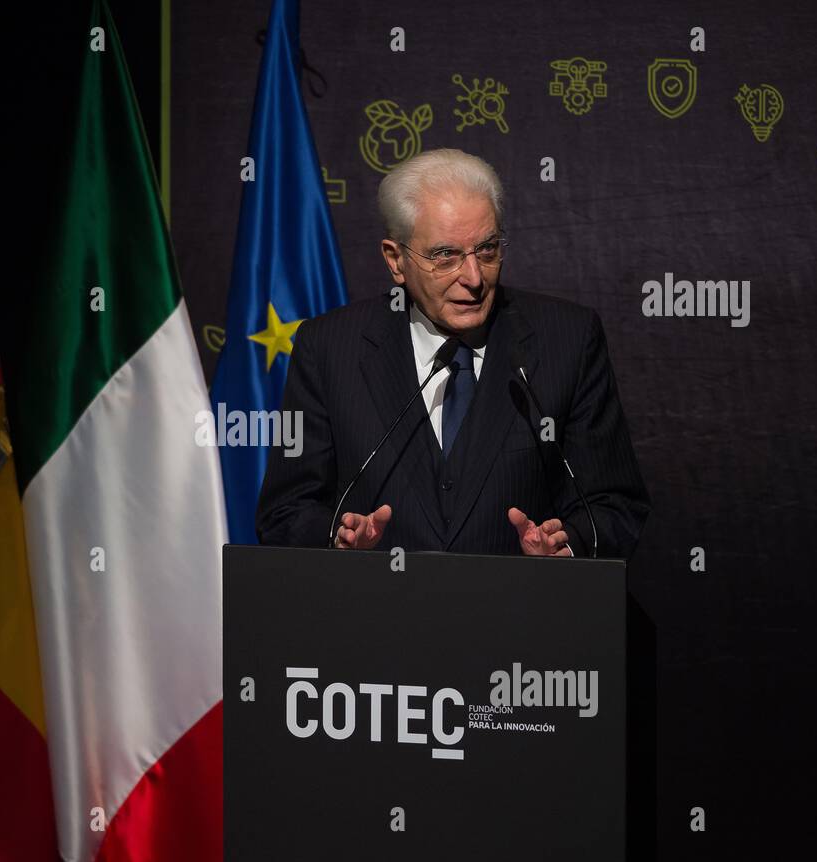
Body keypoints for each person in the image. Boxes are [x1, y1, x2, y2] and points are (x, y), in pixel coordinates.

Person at [255, 148, 649, 557]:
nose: (474, 278)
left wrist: (566, 548)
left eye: (488, 250)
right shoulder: (329, 348)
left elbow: (615, 504)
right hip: (378, 612)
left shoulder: (568, 340)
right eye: (446, 256)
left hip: (520, 614)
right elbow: (285, 510)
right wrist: (339, 537)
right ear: (395, 260)